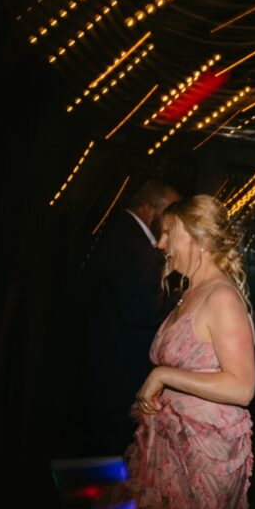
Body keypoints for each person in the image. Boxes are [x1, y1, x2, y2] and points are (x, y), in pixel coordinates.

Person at [62, 195, 255, 509]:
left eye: (170, 234)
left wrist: (164, 374)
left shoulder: (222, 297)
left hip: (196, 465)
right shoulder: (189, 291)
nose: (162, 243)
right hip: (160, 455)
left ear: (197, 237)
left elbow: (242, 387)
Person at [65, 179, 182, 457]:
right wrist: (178, 301)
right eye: (168, 210)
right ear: (146, 207)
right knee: (108, 448)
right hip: (115, 366)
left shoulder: (125, 235)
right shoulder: (133, 242)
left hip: (107, 362)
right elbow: (138, 308)